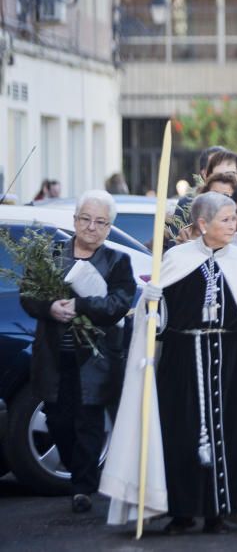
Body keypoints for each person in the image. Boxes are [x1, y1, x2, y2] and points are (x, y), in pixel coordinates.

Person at [101, 192, 237, 532]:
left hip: (231, 362)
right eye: (227, 220)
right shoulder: (176, 259)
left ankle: (219, 511)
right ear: (203, 224)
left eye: (236, 218)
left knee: (229, 435)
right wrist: (152, 306)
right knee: (180, 436)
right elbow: (155, 327)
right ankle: (182, 511)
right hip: (182, 362)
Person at [20, 191, 136, 513]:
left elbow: (118, 304)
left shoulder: (118, 261)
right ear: (74, 220)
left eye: (100, 222)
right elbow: (27, 296)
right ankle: (77, 472)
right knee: (57, 419)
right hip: (55, 356)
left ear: (109, 228)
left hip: (94, 358)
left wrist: (81, 305)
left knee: (89, 422)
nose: (91, 227)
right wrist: (50, 307)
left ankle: (83, 489)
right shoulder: (51, 254)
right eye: (85, 219)